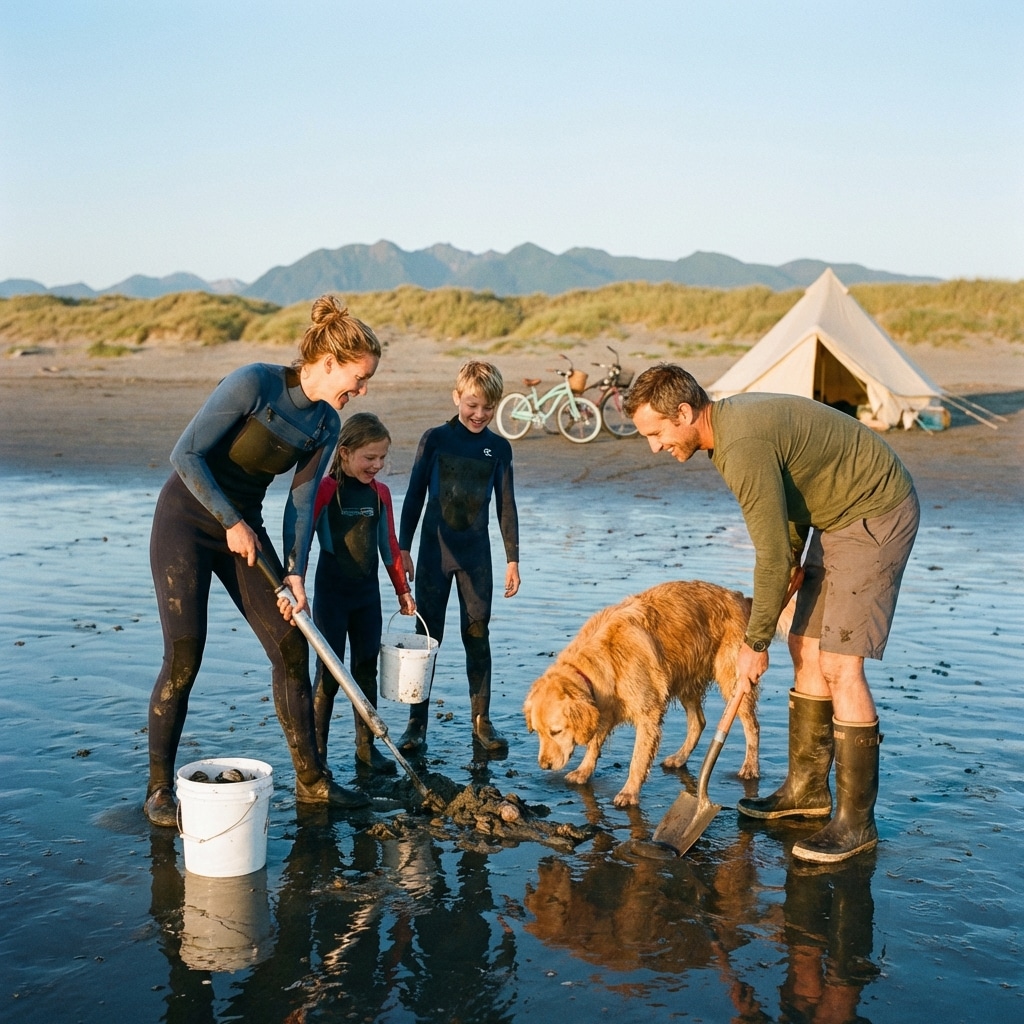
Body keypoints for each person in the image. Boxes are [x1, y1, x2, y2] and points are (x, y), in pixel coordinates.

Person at [624, 365, 920, 864]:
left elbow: (770, 555)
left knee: (840, 666)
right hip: (833, 514)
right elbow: (783, 521)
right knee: (804, 646)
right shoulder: (725, 436)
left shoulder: (741, 444)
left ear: (684, 412)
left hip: (874, 511)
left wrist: (753, 641)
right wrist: (784, 581)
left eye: (656, 433)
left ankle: (855, 824)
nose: (654, 447)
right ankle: (807, 792)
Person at [144, 295, 381, 827]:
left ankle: (313, 782)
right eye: (359, 378)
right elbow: (185, 455)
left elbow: (300, 505)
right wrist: (229, 520)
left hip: (245, 530)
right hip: (186, 520)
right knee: (185, 657)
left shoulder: (324, 425)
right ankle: (159, 789)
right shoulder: (255, 383)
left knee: (291, 646)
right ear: (328, 363)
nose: (362, 391)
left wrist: (294, 571)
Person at [397, 360, 521, 755]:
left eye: (488, 407)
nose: (479, 414)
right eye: (472, 404)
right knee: (426, 641)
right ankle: (416, 725)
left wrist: (512, 559)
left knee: (477, 636)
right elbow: (414, 494)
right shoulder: (434, 440)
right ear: (457, 398)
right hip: (434, 554)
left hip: (476, 558)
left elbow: (506, 506)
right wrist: (402, 547)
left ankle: (482, 722)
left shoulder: (499, 448)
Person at [311, 412, 415, 775]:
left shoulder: (380, 494)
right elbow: (302, 538)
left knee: (366, 670)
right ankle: (317, 756)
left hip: (367, 597)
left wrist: (403, 591)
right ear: (344, 453)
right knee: (327, 676)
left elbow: (388, 546)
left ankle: (365, 750)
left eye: (382, 458)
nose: (377, 465)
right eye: (369, 457)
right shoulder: (325, 490)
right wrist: (293, 583)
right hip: (331, 595)